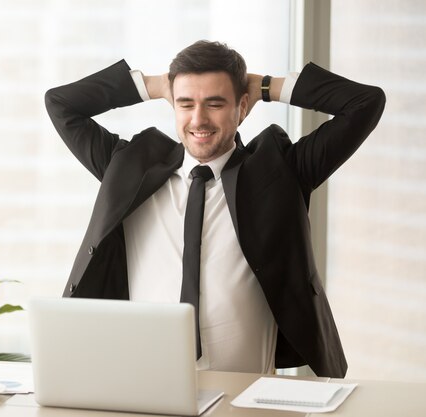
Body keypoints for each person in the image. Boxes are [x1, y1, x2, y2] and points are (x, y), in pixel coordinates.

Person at [44, 40, 385, 378]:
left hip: (249, 397)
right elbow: (61, 103)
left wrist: (266, 86)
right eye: (186, 103)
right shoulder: (128, 168)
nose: (199, 119)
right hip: (147, 388)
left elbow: (364, 103)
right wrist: (157, 84)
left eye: (215, 103)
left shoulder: (281, 172)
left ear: (243, 107)